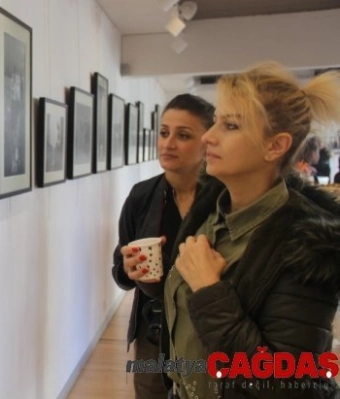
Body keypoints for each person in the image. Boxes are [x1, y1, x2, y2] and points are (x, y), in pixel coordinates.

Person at [140, 62, 340, 398]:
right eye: (216, 120)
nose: (208, 136)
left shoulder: (307, 246)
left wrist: (209, 290)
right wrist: (153, 284)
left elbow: (285, 384)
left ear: (275, 146)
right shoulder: (211, 207)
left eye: (230, 125)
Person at [111, 94, 215, 399]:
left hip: (205, 332)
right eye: (164, 132)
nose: (168, 144)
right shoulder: (142, 197)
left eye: (183, 135)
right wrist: (129, 271)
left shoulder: (224, 198)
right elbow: (120, 269)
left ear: (207, 143)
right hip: (153, 331)